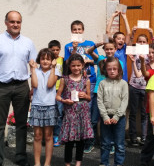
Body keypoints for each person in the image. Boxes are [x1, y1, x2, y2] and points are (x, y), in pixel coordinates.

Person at [0, 10, 38, 166]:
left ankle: (21, 156)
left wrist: (33, 88)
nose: (15, 24)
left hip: (22, 86)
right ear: (6, 23)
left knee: (22, 124)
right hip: (1, 87)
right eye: (12, 21)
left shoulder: (28, 43)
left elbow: (34, 67)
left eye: (18, 22)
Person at [63, 20, 98, 153]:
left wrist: (89, 61)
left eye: (79, 29)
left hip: (90, 80)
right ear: (71, 31)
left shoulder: (89, 43)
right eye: (74, 30)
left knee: (88, 112)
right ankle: (76, 138)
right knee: (76, 111)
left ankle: (89, 140)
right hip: (75, 82)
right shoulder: (68, 46)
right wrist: (75, 50)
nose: (77, 32)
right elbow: (67, 63)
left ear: (83, 30)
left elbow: (98, 59)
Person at [56, 54, 93, 166]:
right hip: (70, 114)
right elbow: (58, 96)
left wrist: (84, 95)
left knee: (81, 141)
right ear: (69, 66)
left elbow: (89, 97)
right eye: (73, 66)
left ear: (82, 65)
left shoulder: (85, 80)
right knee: (69, 141)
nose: (76, 68)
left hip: (82, 114)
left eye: (78, 65)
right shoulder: (64, 79)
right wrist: (64, 101)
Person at [85, 41, 124, 154]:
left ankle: (111, 144)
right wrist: (97, 44)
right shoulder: (100, 59)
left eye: (111, 49)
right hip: (98, 92)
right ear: (104, 50)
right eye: (107, 49)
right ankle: (90, 142)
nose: (109, 51)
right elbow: (89, 51)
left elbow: (119, 77)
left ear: (115, 49)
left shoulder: (119, 62)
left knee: (110, 119)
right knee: (93, 119)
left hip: (112, 93)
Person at [96, 57, 129, 166]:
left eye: (115, 69)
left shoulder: (123, 84)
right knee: (105, 142)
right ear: (105, 70)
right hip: (105, 118)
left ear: (119, 70)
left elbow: (124, 101)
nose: (112, 71)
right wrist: (105, 116)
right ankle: (103, 164)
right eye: (109, 69)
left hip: (119, 118)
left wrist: (117, 116)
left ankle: (119, 165)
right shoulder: (102, 83)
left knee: (119, 143)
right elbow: (99, 101)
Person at [28, 48, 58, 166]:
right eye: (43, 58)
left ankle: (47, 164)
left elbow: (51, 84)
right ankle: (37, 164)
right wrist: (32, 69)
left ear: (52, 61)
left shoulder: (56, 70)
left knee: (48, 136)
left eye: (48, 59)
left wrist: (53, 68)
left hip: (50, 106)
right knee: (37, 136)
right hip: (37, 105)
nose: (45, 61)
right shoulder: (36, 71)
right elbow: (34, 84)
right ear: (39, 60)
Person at [127, 27, 154, 146]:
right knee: (133, 113)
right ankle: (133, 137)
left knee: (144, 114)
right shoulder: (135, 52)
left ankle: (144, 137)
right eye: (140, 41)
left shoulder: (150, 53)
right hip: (134, 85)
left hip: (146, 87)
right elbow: (128, 44)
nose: (142, 43)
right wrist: (133, 33)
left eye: (144, 41)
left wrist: (151, 33)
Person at [106, 11, 131, 81]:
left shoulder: (124, 49)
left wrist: (125, 18)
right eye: (119, 38)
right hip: (112, 79)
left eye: (123, 39)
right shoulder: (111, 50)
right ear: (114, 40)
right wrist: (113, 17)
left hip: (123, 80)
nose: (121, 40)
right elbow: (107, 32)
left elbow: (128, 34)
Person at [48, 40, 64, 147]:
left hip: (60, 90)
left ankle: (57, 135)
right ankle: (48, 136)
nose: (55, 51)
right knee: (50, 114)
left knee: (60, 114)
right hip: (49, 91)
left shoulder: (62, 60)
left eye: (57, 49)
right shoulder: (46, 60)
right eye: (52, 50)